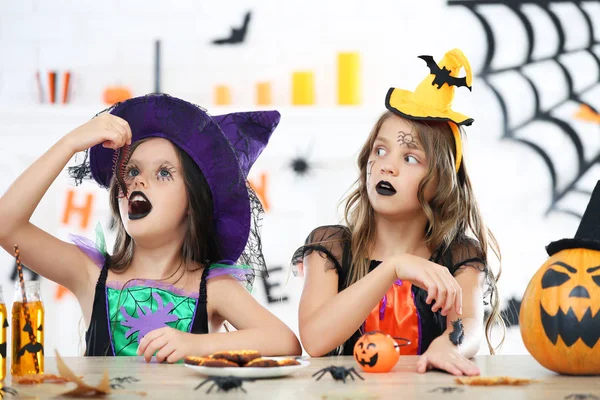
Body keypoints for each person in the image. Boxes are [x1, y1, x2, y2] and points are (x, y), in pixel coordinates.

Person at [0, 93, 302, 362]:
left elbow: (284, 341)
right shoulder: (89, 274)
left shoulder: (213, 287)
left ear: (193, 202)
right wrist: (70, 143)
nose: (139, 181)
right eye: (131, 171)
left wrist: (196, 345)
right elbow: (6, 226)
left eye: (163, 173)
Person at [293, 49, 503, 376]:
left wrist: (448, 347)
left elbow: (469, 326)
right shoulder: (331, 246)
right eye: (381, 150)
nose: (387, 166)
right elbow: (315, 340)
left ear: (441, 181)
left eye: (409, 158)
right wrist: (393, 267)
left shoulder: (458, 255)